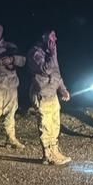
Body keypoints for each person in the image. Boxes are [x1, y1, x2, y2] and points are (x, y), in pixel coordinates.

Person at [27, 30, 72, 165]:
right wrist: (52, 54)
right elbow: (45, 69)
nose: (55, 39)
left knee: (55, 125)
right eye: (51, 36)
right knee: (46, 126)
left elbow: (56, 72)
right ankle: (48, 155)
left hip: (52, 94)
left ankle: (55, 151)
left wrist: (63, 90)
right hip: (42, 94)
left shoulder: (50, 52)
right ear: (43, 37)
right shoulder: (35, 53)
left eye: (55, 36)